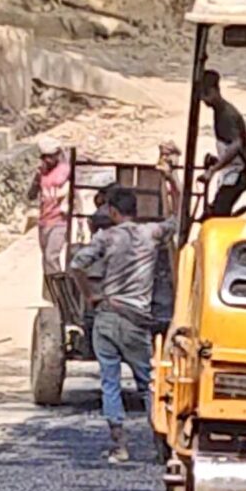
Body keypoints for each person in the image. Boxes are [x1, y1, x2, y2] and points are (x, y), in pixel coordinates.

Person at [70, 188, 165, 464]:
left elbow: (77, 264)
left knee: (110, 382)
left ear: (112, 212)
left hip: (108, 316)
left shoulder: (105, 237)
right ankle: (160, 445)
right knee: (148, 383)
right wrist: (171, 178)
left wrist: (89, 295)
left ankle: (120, 447)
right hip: (137, 320)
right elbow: (178, 221)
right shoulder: (151, 233)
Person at [197, 71, 246, 218]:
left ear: (215, 90)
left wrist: (213, 170)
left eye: (206, 94)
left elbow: (236, 145)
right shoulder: (219, 111)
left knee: (218, 215)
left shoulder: (227, 115)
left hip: (239, 173)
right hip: (231, 171)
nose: (204, 100)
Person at [33, 139, 74, 276]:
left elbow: (75, 193)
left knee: (51, 256)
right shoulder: (41, 174)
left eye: (52, 156)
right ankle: (50, 293)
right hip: (44, 220)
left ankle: (58, 292)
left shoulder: (65, 171)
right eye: (46, 157)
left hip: (60, 220)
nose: (49, 160)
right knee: (46, 257)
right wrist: (36, 180)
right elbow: (31, 195)